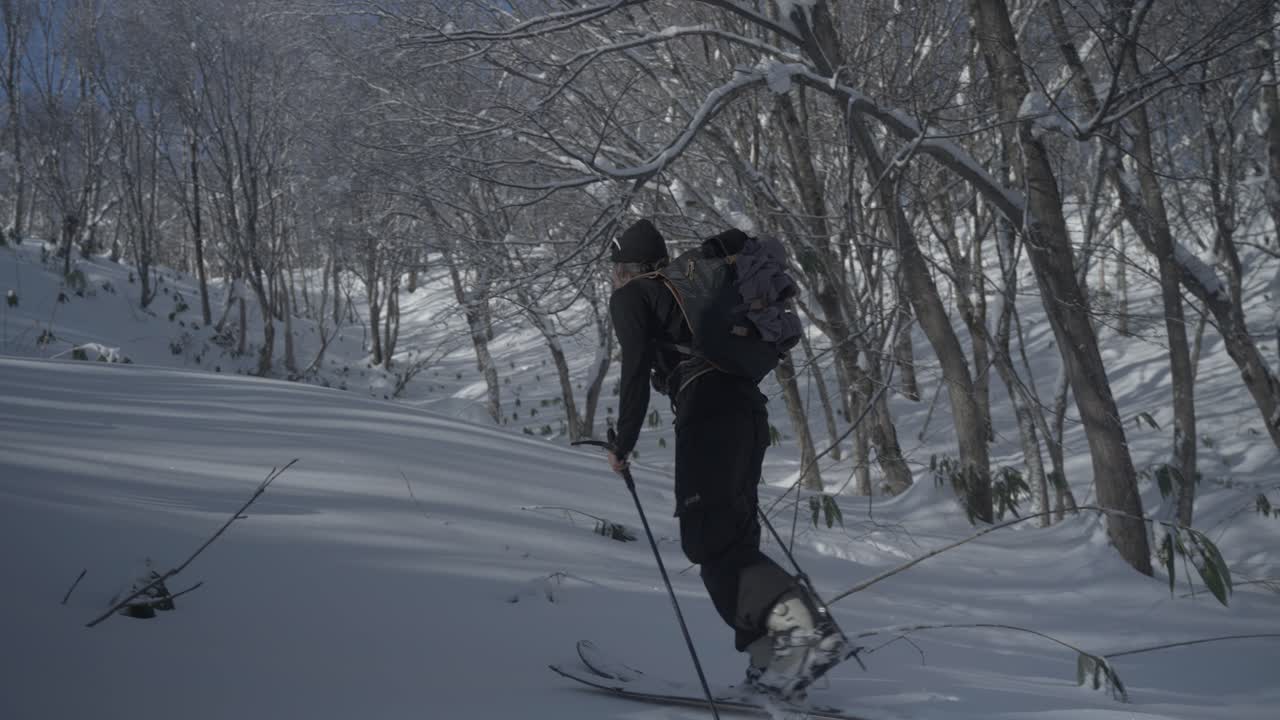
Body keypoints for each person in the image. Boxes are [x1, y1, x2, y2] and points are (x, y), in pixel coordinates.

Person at [605, 218, 846, 698]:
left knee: (708, 539)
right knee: (734, 534)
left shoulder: (633, 295)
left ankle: (801, 638)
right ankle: (774, 666)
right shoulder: (692, 290)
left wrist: (623, 441)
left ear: (624, 268)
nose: (612, 279)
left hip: (708, 412)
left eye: (613, 270)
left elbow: (634, 371)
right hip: (746, 412)